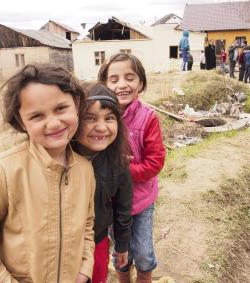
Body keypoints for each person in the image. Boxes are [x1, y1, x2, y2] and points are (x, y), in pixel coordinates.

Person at [0, 65, 96, 282]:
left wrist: (84, 269)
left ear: (76, 104)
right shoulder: (2, 171)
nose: (54, 123)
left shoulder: (85, 169)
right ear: (21, 121)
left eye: (61, 108)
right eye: (37, 116)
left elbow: (87, 224)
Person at [98, 53, 166, 282]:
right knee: (120, 253)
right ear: (104, 85)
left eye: (130, 77)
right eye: (114, 79)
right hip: (113, 204)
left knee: (144, 252)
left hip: (141, 201)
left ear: (141, 84)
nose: (122, 84)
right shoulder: (99, 120)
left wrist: (123, 172)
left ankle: (145, 277)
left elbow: (155, 162)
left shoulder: (148, 118)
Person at [73, 84, 132, 283]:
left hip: (98, 241)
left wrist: (122, 245)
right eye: (89, 118)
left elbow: (123, 208)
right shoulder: (61, 158)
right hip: (63, 247)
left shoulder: (119, 162)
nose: (101, 127)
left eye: (109, 118)